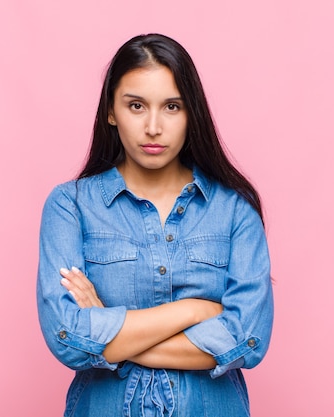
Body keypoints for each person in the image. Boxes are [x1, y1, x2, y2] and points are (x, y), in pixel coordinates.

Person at [37, 33, 273, 417]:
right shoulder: (71, 206)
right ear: (111, 112)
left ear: (191, 112)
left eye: (172, 107)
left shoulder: (234, 210)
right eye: (135, 105)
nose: (153, 126)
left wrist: (109, 337)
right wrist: (196, 311)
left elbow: (247, 340)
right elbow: (67, 337)